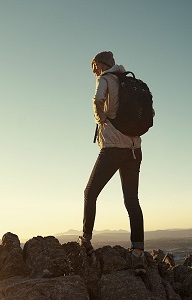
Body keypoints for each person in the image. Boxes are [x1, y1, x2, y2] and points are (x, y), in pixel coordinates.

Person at [78, 51, 146, 275]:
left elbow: (98, 100)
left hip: (113, 149)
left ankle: (86, 240)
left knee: (90, 192)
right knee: (131, 200)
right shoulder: (129, 82)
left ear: (102, 64)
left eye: (94, 66)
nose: (93, 71)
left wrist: (101, 119)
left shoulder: (105, 79)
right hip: (134, 150)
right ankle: (138, 252)